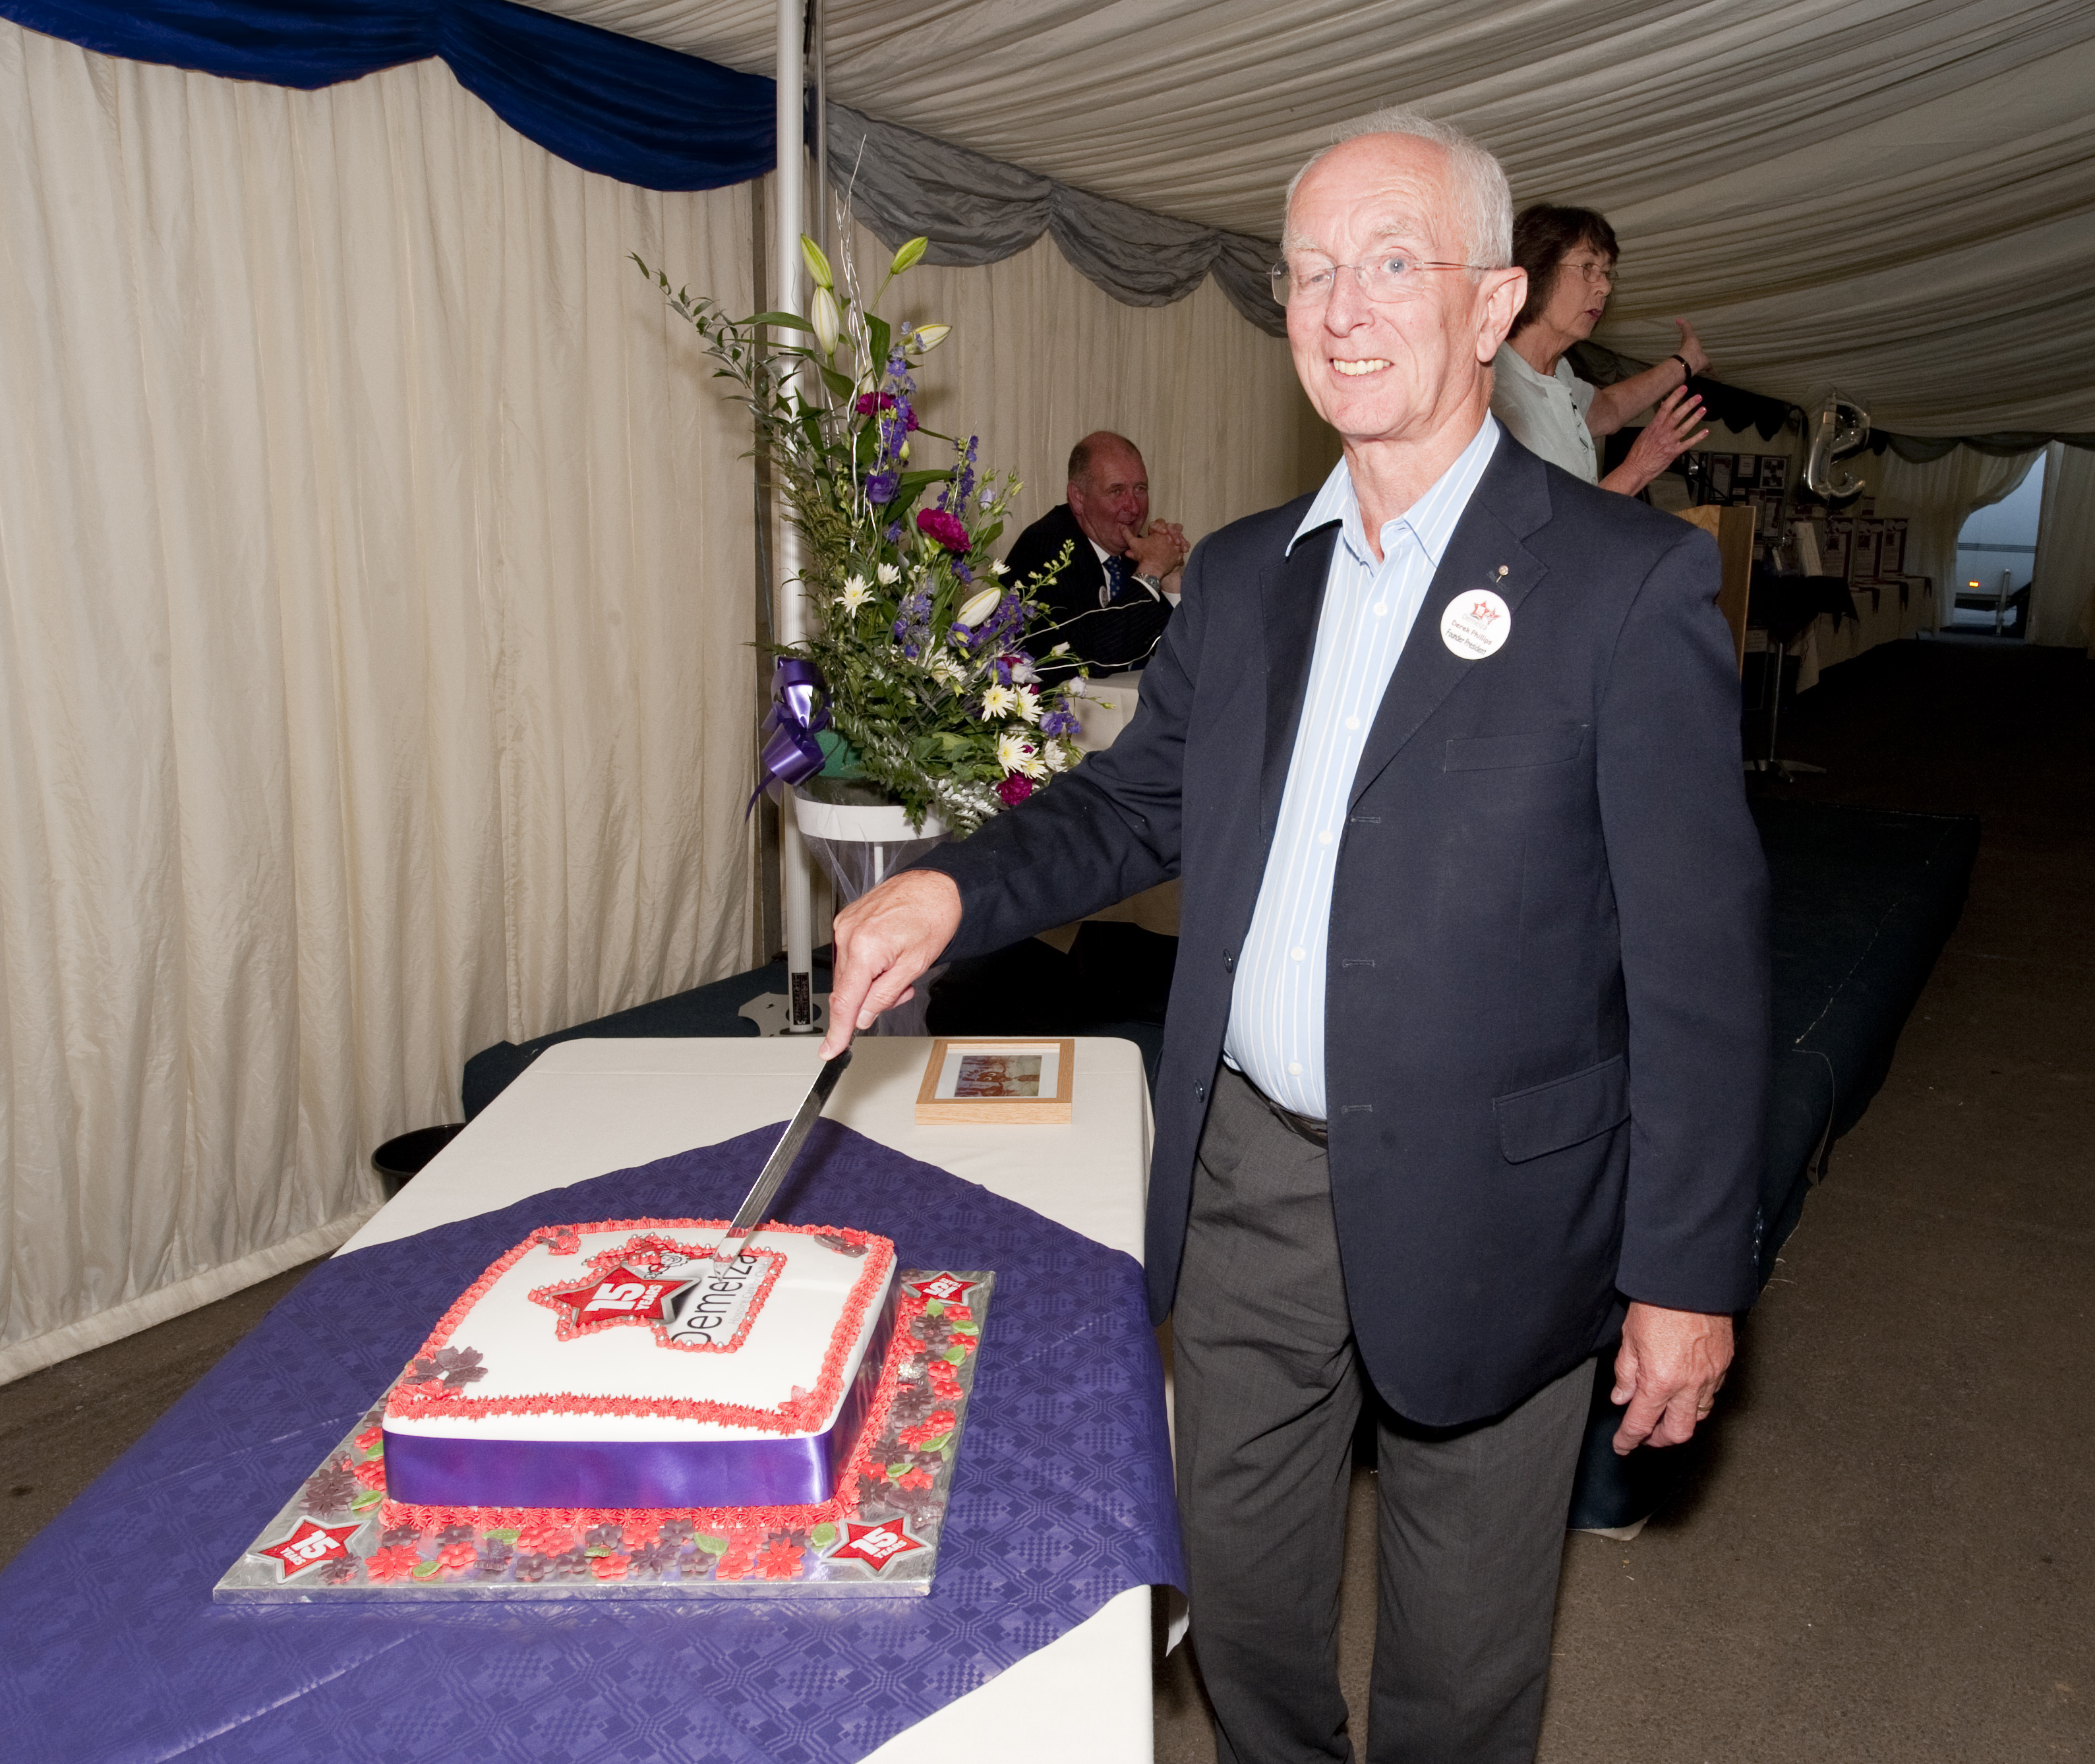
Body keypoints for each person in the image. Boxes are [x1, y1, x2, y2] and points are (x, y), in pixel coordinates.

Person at [821, 108, 1768, 1764]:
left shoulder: (1624, 587)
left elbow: (1700, 958)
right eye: (1312, 270)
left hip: (1504, 1189)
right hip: (1255, 1172)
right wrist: (953, 884)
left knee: (1461, 1662)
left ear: (1490, 303)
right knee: (1241, 1603)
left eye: (1391, 264)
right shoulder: (1251, 577)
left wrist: (1686, 1272)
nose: (1341, 307)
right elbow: (1133, 811)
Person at [1490, 202, 1711, 498]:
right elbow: (1549, 526)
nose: (1605, 287)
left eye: (1607, 272)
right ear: (1536, 270)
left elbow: (1610, 409)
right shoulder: (1494, 392)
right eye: (1587, 268)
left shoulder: (1557, 374)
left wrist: (1686, 361)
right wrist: (1638, 468)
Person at [1003, 430, 1190, 676]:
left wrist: (1171, 578)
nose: (1134, 508)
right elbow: (1093, 657)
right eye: (1117, 491)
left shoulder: (1135, 552)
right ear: (1078, 498)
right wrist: (1152, 570)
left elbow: (1188, 659)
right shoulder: (1047, 547)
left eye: (1140, 489)